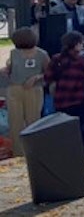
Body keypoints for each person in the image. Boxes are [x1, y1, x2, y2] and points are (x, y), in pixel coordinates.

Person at [4, 28, 50, 156]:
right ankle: (18, 153)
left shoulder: (42, 54)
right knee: (15, 122)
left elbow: (49, 72)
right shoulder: (14, 53)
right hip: (14, 88)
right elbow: (11, 69)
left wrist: (36, 77)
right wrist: (6, 70)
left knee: (33, 120)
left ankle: (34, 153)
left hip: (33, 89)